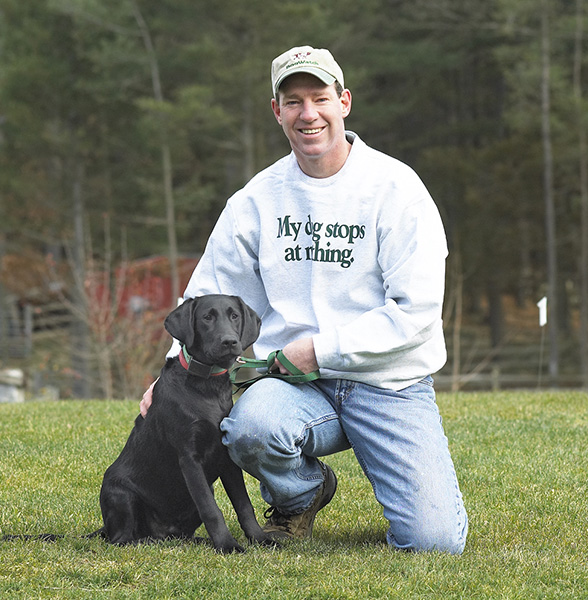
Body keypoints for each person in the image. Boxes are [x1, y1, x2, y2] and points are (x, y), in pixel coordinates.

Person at [141, 45, 468, 554]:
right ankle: (301, 496)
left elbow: (417, 313)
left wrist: (317, 351)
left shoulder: (397, 189)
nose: (308, 113)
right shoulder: (255, 201)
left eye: (320, 98)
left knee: (433, 543)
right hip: (290, 383)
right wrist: (169, 373)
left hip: (388, 382)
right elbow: (207, 295)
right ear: (277, 111)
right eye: (293, 101)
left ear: (345, 102)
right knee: (248, 427)